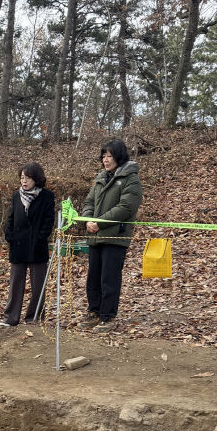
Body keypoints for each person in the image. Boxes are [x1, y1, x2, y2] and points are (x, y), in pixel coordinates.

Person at [80, 138, 142, 332]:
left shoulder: (130, 179)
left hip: (116, 237)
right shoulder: (100, 179)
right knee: (93, 277)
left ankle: (108, 317)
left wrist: (100, 222)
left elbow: (126, 207)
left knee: (109, 278)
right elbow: (89, 202)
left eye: (110, 156)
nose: (106, 160)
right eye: (103, 156)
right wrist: (88, 220)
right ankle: (94, 312)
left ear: (119, 157)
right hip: (96, 236)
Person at [0, 162, 55, 327]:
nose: (24, 181)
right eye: (22, 177)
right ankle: (11, 317)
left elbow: (49, 220)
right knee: (15, 283)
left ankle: (35, 317)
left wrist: (40, 237)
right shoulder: (17, 196)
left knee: (38, 284)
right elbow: (11, 217)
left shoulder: (47, 196)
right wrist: (9, 235)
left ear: (36, 179)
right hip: (18, 245)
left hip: (37, 246)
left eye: (28, 178)